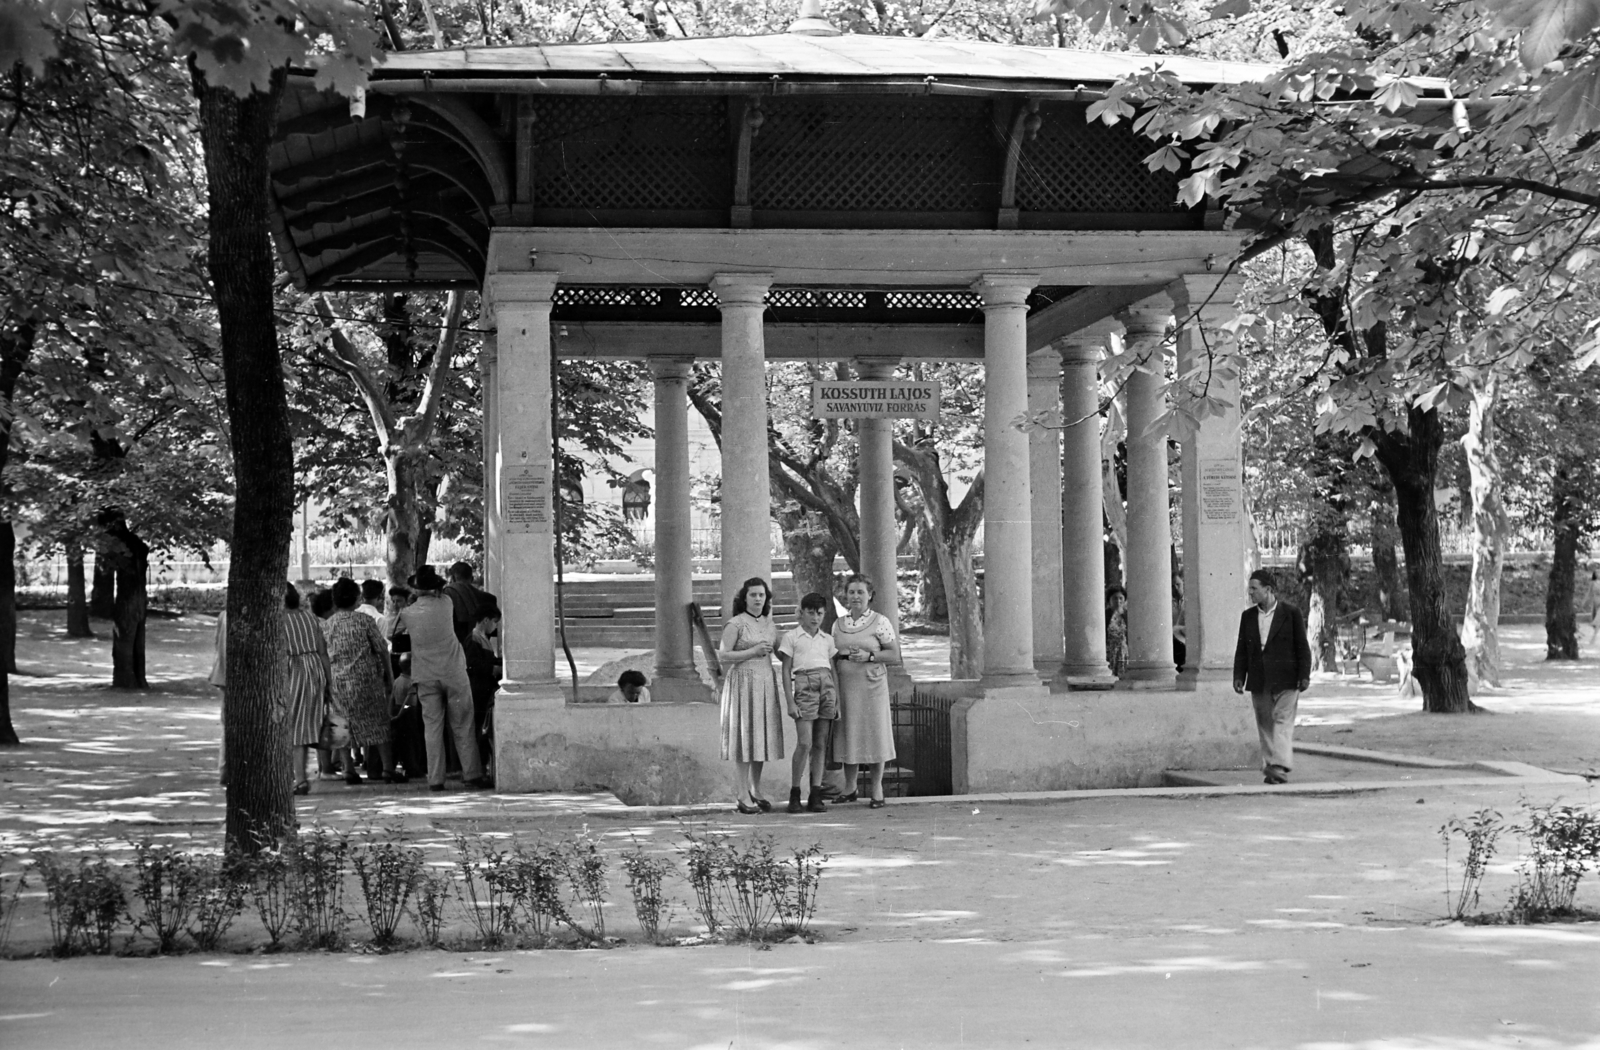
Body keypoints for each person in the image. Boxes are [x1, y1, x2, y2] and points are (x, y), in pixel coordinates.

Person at [392, 564, 492, 792]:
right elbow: (442, 593)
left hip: (426, 675)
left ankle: (435, 779)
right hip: (454, 672)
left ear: (415, 590)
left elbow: (393, 632)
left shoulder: (408, 613)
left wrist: (409, 605)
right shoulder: (447, 604)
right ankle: (472, 774)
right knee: (463, 724)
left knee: (432, 728)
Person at [1232, 568, 1312, 785]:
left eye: (1254, 589)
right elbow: (1242, 649)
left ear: (1268, 590)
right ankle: (1272, 766)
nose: (1250, 593)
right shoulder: (1247, 617)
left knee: (1283, 720)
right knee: (1265, 723)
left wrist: (1304, 675)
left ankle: (1279, 765)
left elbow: (1302, 646)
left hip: (1288, 678)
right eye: (1249, 589)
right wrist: (1239, 675)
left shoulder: (1291, 613)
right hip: (1259, 678)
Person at [831, 574, 901, 809]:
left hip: (872, 685)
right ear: (845, 596)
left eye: (861, 592)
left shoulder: (880, 622)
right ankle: (850, 787)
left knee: (874, 732)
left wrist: (870, 656)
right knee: (849, 732)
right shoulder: (838, 624)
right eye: (851, 592)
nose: (855, 596)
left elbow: (893, 654)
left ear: (870, 595)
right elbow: (832, 655)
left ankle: (877, 788)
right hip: (846, 685)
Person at [326, 577, 404, 784]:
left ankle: (348, 769)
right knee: (378, 722)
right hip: (367, 681)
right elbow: (382, 650)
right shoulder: (365, 621)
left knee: (342, 725)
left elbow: (324, 656)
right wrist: (390, 675)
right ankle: (388, 769)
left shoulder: (328, 625)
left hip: (338, 683)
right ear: (357, 598)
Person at [718, 576, 786, 814]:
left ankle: (755, 790)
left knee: (762, 738)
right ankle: (741, 793)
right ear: (744, 598)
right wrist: (753, 651)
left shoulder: (769, 623)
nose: (758, 599)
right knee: (745, 739)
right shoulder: (735, 624)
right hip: (743, 682)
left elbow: (778, 651)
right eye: (753, 595)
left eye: (762, 595)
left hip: (766, 681)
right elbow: (723, 656)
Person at [778, 592, 837, 814]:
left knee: (821, 743)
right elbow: (785, 670)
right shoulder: (792, 637)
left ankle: (816, 793)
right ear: (801, 613)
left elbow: (832, 670)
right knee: (805, 743)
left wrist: (836, 699)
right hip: (804, 684)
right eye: (810, 613)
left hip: (826, 686)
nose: (815, 618)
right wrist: (790, 701)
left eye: (819, 613)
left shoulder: (827, 640)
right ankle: (795, 793)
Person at [284, 583, 333, 796]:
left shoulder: (278, 622)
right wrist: (329, 681)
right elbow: (323, 652)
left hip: (292, 671)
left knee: (294, 728)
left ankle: (299, 778)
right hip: (314, 671)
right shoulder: (311, 618)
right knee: (303, 727)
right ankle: (300, 776)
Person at [1105, 586, 1129, 679]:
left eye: (1120, 598)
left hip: (1123, 651)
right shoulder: (1105, 615)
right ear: (1109, 600)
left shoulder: (1127, 615)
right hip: (1109, 650)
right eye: (1115, 598)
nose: (1118, 601)